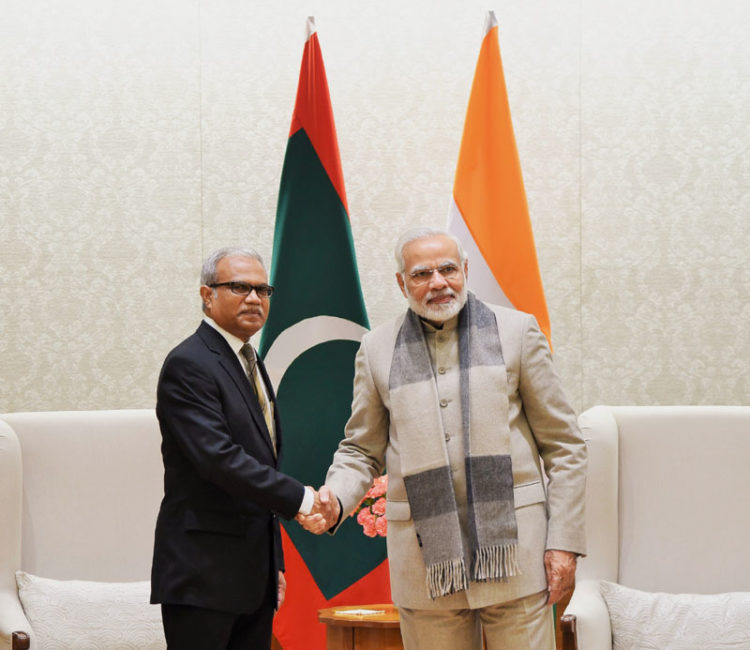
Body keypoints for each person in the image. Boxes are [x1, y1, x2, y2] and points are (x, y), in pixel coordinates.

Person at [301, 228, 587, 650]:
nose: (438, 282)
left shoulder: (518, 332)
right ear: (402, 283)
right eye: (422, 274)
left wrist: (563, 542)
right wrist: (336, 499)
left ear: (466, 271)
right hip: (425, 565)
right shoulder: (376, 348)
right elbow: (361, 448)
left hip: (516, 555)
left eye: (448, 269)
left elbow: (564, 445)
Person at [150, 246, 327, 649]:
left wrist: (273, 564)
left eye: (263, 289)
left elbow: (260, 461)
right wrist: (300, 499)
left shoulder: (249, 358)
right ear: (207, 295)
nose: (254, 298)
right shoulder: (190, 363)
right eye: (239, 287)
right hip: (203, 577)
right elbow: (219, 460)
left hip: (252, 577)